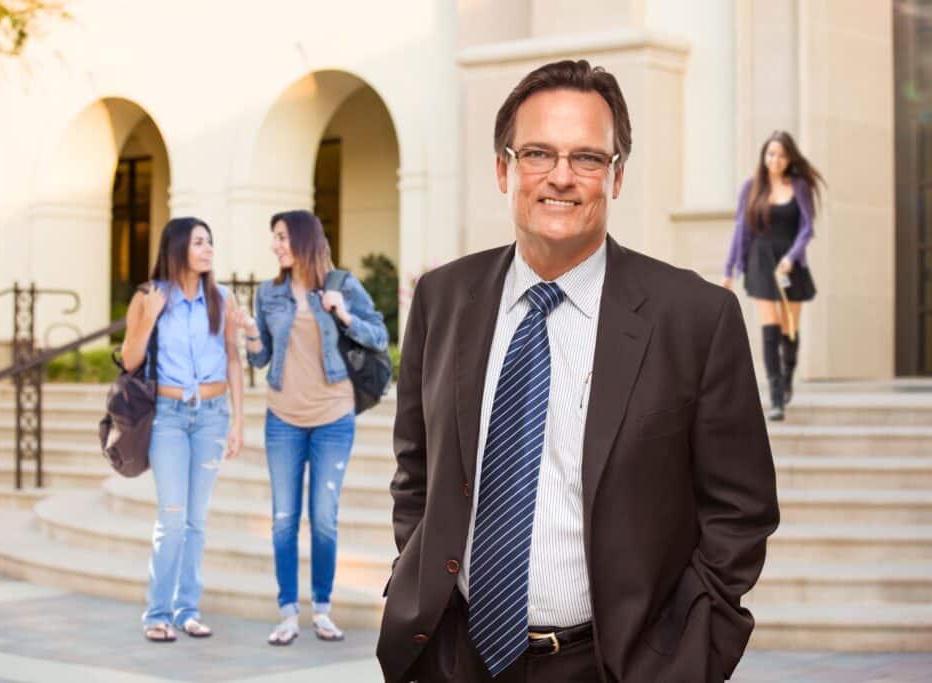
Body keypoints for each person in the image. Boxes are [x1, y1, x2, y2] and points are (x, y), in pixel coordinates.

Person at [378, 60, 779, 682]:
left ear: (615, 177)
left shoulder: (696, 319)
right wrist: (420, 576)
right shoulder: (443, 299)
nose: (560, 177)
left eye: (588, 158)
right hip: (453, 657)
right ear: (503, 168)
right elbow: (417, 469)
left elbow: (741, 509)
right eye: (538, 152)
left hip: (612, 665)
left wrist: (685, 656)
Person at [233, 210, 389, 646]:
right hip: (282, 418)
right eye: (274, 238)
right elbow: (261, 360)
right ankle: (288, 612)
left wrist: (343, 316)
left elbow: (378, 335)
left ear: (302, 240)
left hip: (333, 418)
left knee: (323, 519)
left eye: (281, 237)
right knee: (284, 520)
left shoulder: (342, 285)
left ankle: (321, 609)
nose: (275, 245)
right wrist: (250, 335)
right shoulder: (269, 293)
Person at [120, 217, 244, 642]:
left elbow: (232, 359)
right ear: (177, 249)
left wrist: (239, 421)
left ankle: (187, 609)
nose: (208, 249)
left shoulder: (222, 298)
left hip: (211, 416)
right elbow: (130, 360)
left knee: (196, 521)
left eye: (211, 241)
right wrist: (148, 318)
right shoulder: (149, 297)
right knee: (172, 518)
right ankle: (157, 611)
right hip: (169, 418)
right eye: (199, 242)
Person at [723, 131, 824, 421]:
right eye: (770, 153)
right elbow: (741, 231)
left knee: (789, 328)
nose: (774, 159)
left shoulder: (800, 186)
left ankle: (788, 375)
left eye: (780, 154)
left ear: (789, 157)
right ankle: (776, 396)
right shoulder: (752, 188)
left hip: (791, 264)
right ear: (763, 156)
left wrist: (792, 258)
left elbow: (807, 228)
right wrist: (730, 270)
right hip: (761, 260)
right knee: (770, 329)